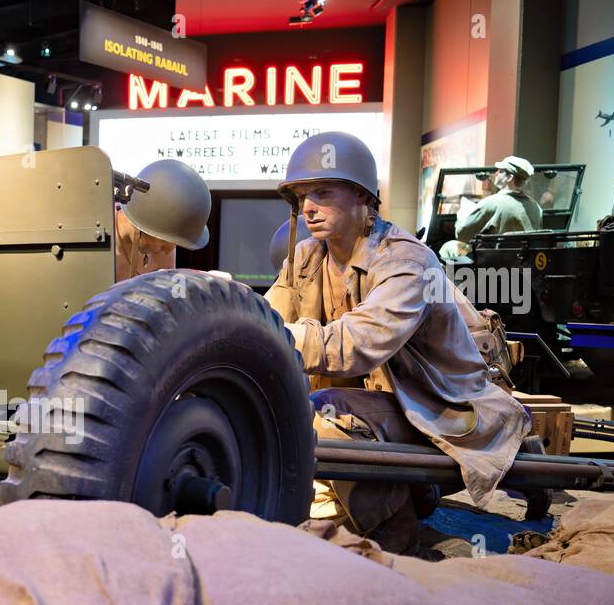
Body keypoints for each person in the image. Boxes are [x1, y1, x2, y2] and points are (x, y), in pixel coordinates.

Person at [265, 131, 532, 553]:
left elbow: (354, 345)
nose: (308, 208)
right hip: (378, 401)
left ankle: (396, 525)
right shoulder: (306, 256)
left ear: (362, 198)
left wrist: (267, 336)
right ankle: (404, 492)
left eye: (322, 192)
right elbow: (271, 318)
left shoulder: (407, 260)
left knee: (323, 416)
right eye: (300, 198)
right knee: (299, 411)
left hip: (436, 404)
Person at [114, 159, 211, 281]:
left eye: (175, 243)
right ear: (143, 224)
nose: (168, 250)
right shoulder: (100, 240)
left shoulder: (163, 243)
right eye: (164, 241)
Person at [453, 155, 543, 247]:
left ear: (510, 178)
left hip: (493, 259)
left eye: (501, 171)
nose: (496, 173)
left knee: (449, 247)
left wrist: (462, 213)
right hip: (524, 259)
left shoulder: (491, 203)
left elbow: (461, 234)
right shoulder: (536, 207)